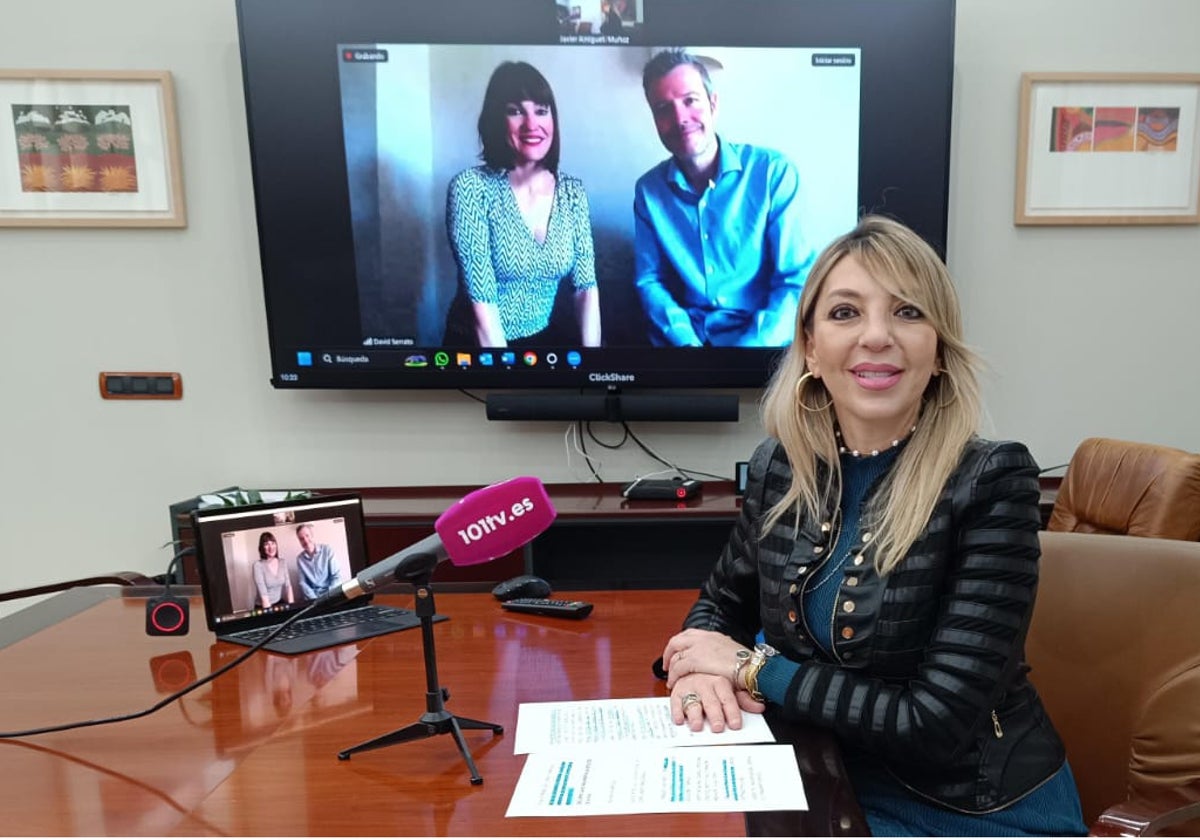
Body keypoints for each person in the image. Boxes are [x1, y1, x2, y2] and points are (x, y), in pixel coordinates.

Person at [658, 216, 1087, 835]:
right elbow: (722, 604)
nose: (877, 336)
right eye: (845, 313)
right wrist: (699, 667)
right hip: (820, 772)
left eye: (908, 312)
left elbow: (932, 723)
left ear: (938, 348)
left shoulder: (991, 480)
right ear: (809, 345)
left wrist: (752, 670)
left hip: (965, 806)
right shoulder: (782, 466)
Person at [633, 49, 815, 348]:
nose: (679, 118)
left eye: (690, 100)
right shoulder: (648, 191)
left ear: (713, 104)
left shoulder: (773, 173)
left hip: (762, 349)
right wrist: (687, 345)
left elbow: (797, 280)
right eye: (664, 108)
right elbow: (650, 281)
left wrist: (742, 355)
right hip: (683, 351)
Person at [442, 61, 601, 348]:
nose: (532, 124)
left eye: (541, 110)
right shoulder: (470, 188)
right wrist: (510, 379)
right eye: (515, 111)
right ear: (495, 120)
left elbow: (586, 289)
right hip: (478, 348)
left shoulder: (573, 192)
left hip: (540, 343)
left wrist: (595, 367)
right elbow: (483, 306)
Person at [295, 523, 340, 600]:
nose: (305, 540)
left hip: (331, 594)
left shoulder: (327, 550)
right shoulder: (300, 559)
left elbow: (336, 576)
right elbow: (303, 583)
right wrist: (315, 600)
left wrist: (329, 596)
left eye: (307, 535)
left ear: (312, 535)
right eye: (301, 539)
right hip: (312, 598)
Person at [252, 531, 295, 609]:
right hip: (263, 606)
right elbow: (263, 595)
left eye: (273, 543)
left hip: (278, 602)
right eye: (266, 544)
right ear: (262, 548)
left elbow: (288, 586)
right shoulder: (258, 565)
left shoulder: (283, 562)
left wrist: (292, 607)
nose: (271, 547)